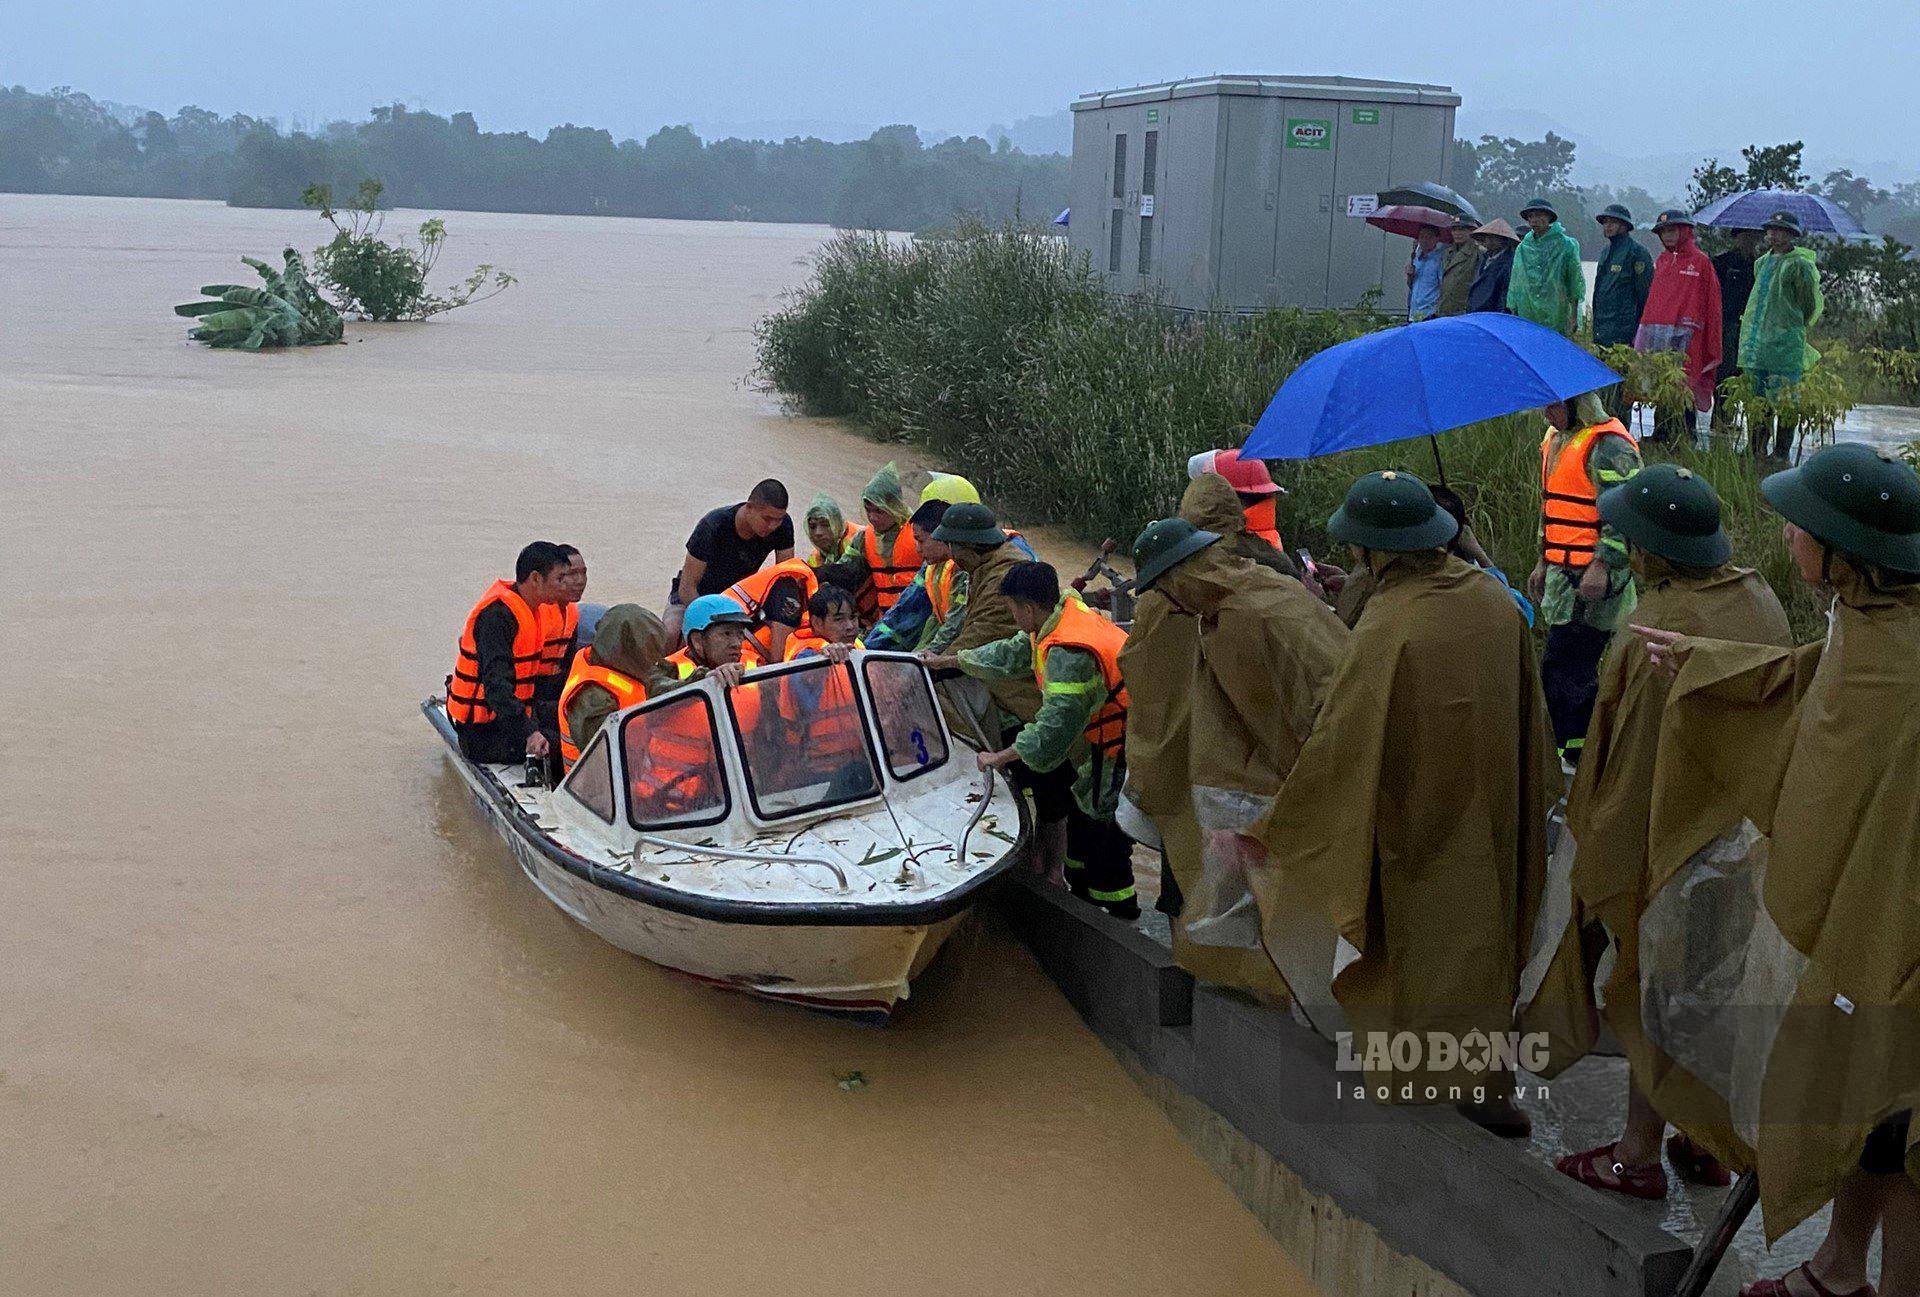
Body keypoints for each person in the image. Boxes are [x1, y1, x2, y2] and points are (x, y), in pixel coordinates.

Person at [1633, 443, 1920, 1294]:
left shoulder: (1906, 663)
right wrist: (1702, 664)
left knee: (1897, 1112)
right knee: (1862, 1103)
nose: (1786, 534)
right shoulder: (1866, 623)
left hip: (1892, 916)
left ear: (1846, 552)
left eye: (1802, 525)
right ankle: (1838, 1266)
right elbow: (1798, 684)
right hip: (1857, 913)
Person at [1253, 472, 1562, 1134]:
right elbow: (1533, 716)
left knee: (1418, 952)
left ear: (1373, 550)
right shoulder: (1495, 601)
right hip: (1496, 811)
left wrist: (1279, 823)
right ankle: (1489, 1085)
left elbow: (1342, 736)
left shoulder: (1391, 624)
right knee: (1488, 943)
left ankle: (1417, 1082)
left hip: (1416, 818)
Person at [1549, 465, 1790, 1202]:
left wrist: (1599, 852)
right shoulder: (1760, 599)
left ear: (1652, 548)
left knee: (1650, 990)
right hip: (1742, 838)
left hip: (1671, 840)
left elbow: (1630, 761)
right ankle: (1701, 1140)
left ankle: (1636, 1152)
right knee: (1709, 994)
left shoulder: (1659, 621)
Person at [1128, 514, 1347, 987]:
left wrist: (1277, 813)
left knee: (1299, 915)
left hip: (1305, 780)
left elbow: (1319, 713)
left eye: (1162, 591)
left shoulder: (1250, 617)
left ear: (1178, 579)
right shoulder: (1243, 597)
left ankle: (1299, 1008)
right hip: (1276, 779)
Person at [942, 562, 1138, 918]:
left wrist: (999, 757)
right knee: (1082, 836)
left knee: (1104, 839)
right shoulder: (1060, 612)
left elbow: (1053, 729)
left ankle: (1120, 918)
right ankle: (1080, 905)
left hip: (1113, 749)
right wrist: (952, 661)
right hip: (1095, 747)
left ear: (1028, 609)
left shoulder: (1069, 653)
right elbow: (1010, 654)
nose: (1012, 616)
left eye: (1012, 609)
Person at [1529, 393, 1642, 760]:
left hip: (1595, 580)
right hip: (1563, 575)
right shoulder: (1556, 439)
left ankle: (1579, 754)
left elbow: (1625, 513)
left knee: (1566, 667)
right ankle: (1574, 750)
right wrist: (1543, 562)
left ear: (1577, 403)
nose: (1547, 412)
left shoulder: (1609, 446)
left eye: (1554, 405)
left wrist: (1603, 565)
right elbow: (1552, 508)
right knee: (1564, 668)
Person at [447, 542, 572, 766]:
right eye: (560, 579)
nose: (565, 586)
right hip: (483, 734)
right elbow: (497, 689)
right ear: (536, 578)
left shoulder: (536, 611)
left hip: (511, 720)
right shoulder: (496, 617)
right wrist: (530, 733)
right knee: (569, 749)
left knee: (572, 724)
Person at [1739, 210, 1825, 461]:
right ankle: (1756, 447)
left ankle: (1781, 451)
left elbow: (1808, 303)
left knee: (1786, 400)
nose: (1773, 234)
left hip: (1785, 343)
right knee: (1758, 398)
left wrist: (1792, 325)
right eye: (1770, 230)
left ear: (1791, 234)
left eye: (1780, 230)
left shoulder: (1799, 264)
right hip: (1758, 342)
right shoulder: (1762, 262)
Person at [1635, 210, 1724, 444]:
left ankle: (1686, 435)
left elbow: (1711, 304)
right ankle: (1661, 433)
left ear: (1685, 231)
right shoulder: (1663, 261)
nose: (1668, 236)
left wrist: (1706, 336)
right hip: (1659, 337)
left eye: (1672, 230)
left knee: (1685, 386)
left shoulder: (1701, 262)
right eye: (1664, 232)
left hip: (1687, 338)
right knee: (1662, 385)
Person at [556, 603, 675, 769]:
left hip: (630, 774)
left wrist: (703, 678)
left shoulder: (614, 662)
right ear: (630, 649)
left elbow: (655, 681)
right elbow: (609, 757)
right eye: (648, 653)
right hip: (598, 789)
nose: (651, 662)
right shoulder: (592, 697)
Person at [671, 480, 795, 635]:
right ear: (749, 507)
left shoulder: (783, 526)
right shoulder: (712, 526)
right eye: (767, 519)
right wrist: (715, 622)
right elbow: (687, 588)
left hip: (740, 600)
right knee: (671, 632)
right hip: (697, 598)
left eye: (779, 519)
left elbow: (785, 577)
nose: (773, 526)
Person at [1507, 198, 1585, 336]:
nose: (1534, 220)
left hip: (1556, 311)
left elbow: (1575, 282)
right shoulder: (1523, 247)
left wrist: (1573, 316)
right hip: (1528, 310)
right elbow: (1516, 283)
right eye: (1530, 216)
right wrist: (1514, 310)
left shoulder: (1566, 245)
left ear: (1549, 217)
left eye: (1538, 215)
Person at [721, 556, 819, 662]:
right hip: (739, 659)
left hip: (729, 646)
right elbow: (778, 660)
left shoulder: (790, 579)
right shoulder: (789, 590)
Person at [1711, 227, 1763, 421]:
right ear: (1736, 238)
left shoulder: (1760, 265)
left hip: (1751, 328)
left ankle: (1731, 417)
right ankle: (1721, 418)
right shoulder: (1721, 262)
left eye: (1752, 237)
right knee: (1725, 374)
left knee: (1745, 376)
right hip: (1726, 325)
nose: (1748, 241)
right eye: (1744, 237)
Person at [533, 543, 587, 729]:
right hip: (531, 698)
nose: (580, 581)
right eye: (572, 574)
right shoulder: (538, 613)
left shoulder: (572, 613)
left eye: (583, 573)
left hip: (553, 693)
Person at [1591, 204, 1654, 350]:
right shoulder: (1605, 252)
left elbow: (1644, 294)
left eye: (1613, 222)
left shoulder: (1637, 253)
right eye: (1605, 222)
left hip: (1623, 330)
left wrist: (1639, 331)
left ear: (1625, 225)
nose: (1608, 226)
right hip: (1601, 328)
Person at [663, 594, 755, 688]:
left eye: (740, 634)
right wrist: (705, 679)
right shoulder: (666, 670)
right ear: (697, 641)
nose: (737, 644)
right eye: (726, 633)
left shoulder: (755, 662)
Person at [1437, 215, 1486, 317]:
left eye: (1462, 230)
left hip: (1465, 311)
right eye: (1454, 230)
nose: (1457, 233)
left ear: (1471, 231)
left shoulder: (1479, 253)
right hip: (1444, 310)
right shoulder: (1447, 253)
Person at [1467, 219, 1519, 314]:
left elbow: (1504, 294)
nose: (1487, 240)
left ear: (1503, 240)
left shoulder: (1509, 262)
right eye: (1487, 237)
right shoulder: (1485, 258)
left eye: (1493, 238)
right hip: (1477, 311)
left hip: (1492, 313)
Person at [802, 493, 863, 570]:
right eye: (812, 526)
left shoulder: (859, 538)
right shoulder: (815, 560)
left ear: (837, 523)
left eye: (825, 524)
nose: (818, 532)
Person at [1407, 224, 1445, 322]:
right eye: (1422, 236)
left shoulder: (1439, 260)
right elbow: (1411, 285)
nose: (1424, 240)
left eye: (1429, 237)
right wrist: (1410, 276)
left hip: (1430, 313)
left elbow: (1443, 287)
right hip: (1414, 312)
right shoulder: (1416, 258)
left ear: (1437, 239)